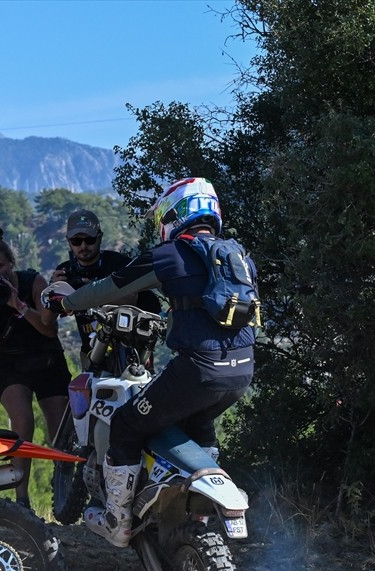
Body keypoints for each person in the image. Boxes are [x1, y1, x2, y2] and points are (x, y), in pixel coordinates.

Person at [45, 178, 257, 547]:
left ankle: (118, 518)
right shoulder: (238, 257)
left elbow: (111, 287)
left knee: (127, 423)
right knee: (196, 422)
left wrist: (67, 301)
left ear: (175, 214)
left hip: (197, 370)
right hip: (241, 372)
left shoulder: (172, 253)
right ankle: (196, 514)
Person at [0, 228, 69, 507]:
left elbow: (49, 329)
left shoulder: (33, 282)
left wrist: (17, 304)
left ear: (12, 264)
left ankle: (65, 493)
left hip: (46, 358)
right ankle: (22, 499)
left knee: (60, 432)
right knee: (23, 423)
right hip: (11, 362)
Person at [51, 209, 161, 368]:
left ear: (100, 237)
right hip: (91, 351)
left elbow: (131, 298)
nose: (83, 246)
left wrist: (86, 291)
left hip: (130, 347)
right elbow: (47, 320)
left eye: (89, 240)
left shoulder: (118, 264)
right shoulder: (64, 272)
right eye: (76, 241)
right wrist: (56, 293)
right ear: (68, 241)